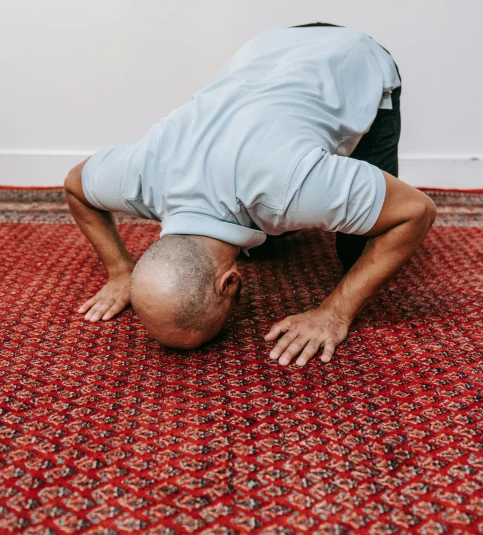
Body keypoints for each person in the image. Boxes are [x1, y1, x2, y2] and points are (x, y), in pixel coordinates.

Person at [64, 23, 436, 367]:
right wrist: (118, 271)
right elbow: (76, 185)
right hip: (267, 51)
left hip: (352, 58)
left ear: (230, 282)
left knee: (360, 247)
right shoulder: (140, 175)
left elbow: (416, 211)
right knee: (276, 229)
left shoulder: (291, 188)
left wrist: (335, 312)